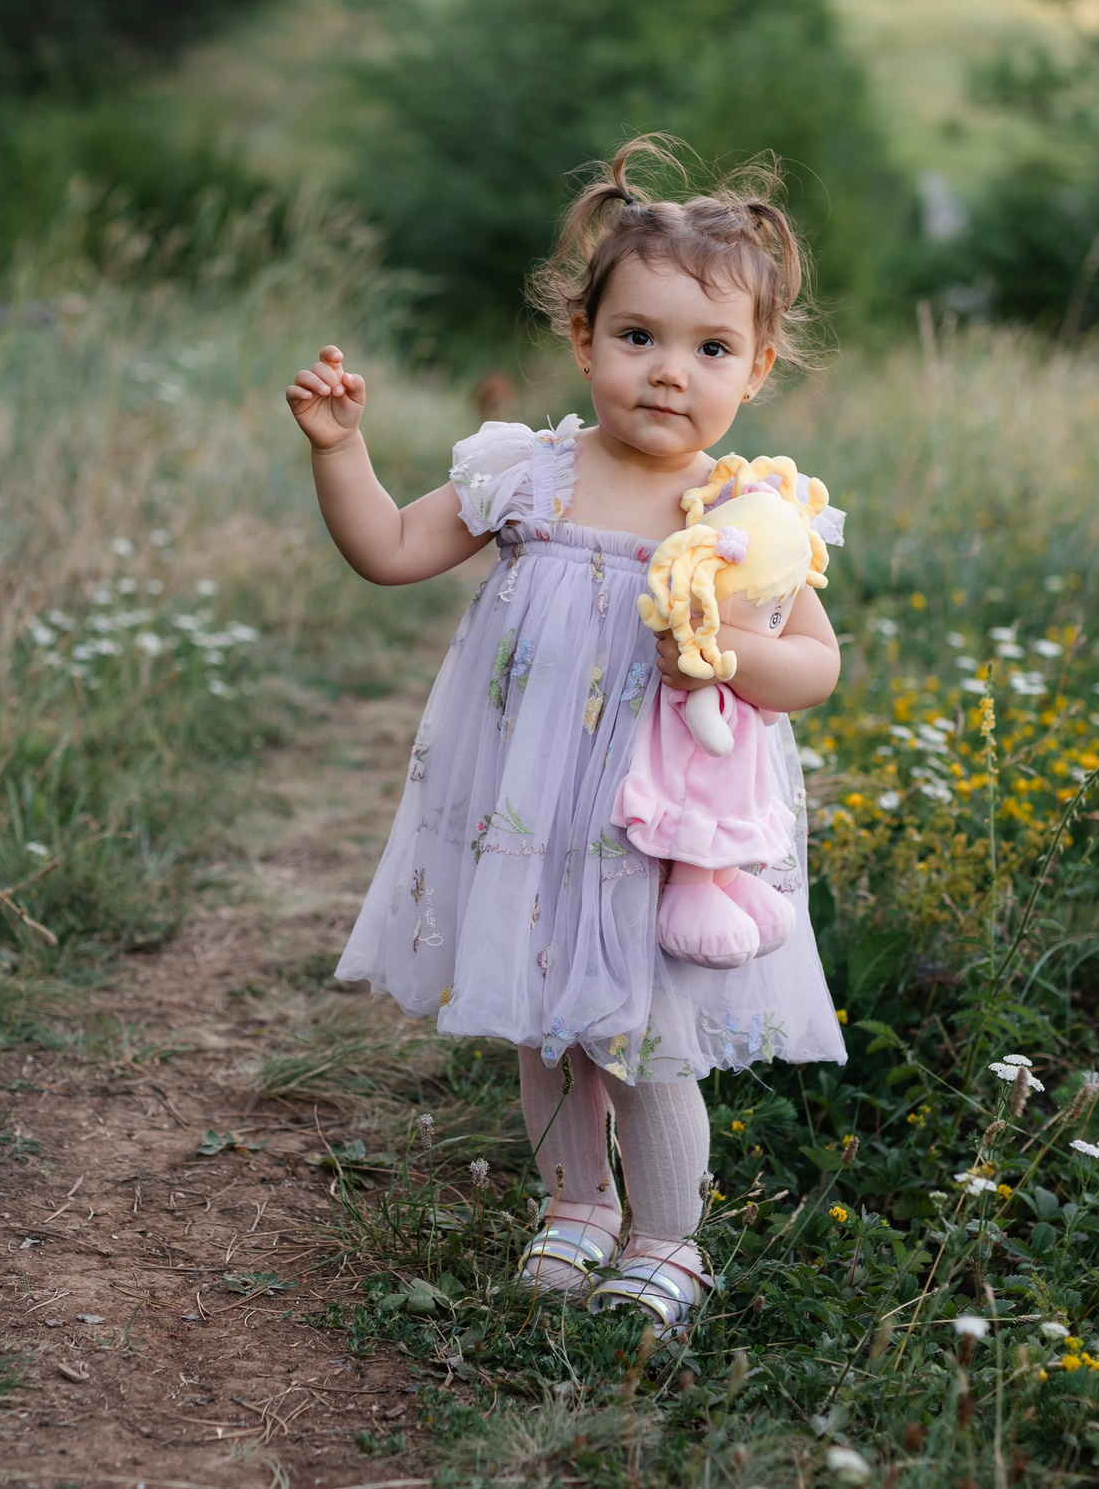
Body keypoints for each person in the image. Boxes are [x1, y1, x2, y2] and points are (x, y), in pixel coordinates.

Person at [284, 136, 846, 1334]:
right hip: (532, 809)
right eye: (637, 336)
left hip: (657, 823)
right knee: (541, 1016)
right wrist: (340, 452)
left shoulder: (743, 516)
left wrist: (730, 656)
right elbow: (388, 548)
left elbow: (815, 663)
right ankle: (575, 1204)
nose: (668, 372)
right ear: (583, 340)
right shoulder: (525, 475)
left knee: (640, 1031)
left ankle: (668, 1238)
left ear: (756, 369)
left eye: (710, 349)